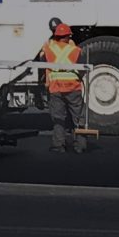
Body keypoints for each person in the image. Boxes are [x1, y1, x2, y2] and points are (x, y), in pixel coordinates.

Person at [40, 18, 89, 153]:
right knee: (78, 117)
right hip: (73, 88)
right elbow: (82, 69)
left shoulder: (48, 49)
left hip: (55, 88)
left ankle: (59, 145)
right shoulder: (76, 50)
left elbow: (42, 65)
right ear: (68, 36)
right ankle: (80, 146)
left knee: (58, 118)